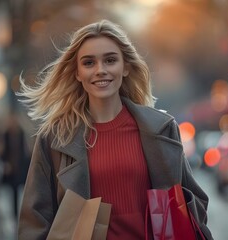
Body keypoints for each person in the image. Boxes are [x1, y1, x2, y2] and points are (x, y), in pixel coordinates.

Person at [17, 20, 212, 240]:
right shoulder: (55, 138)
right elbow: (34, 219)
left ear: (126, 67)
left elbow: (195, 202)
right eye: (89, 63)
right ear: (77, 73)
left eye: (110, 60)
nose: (100, 70)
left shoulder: (160, 129)